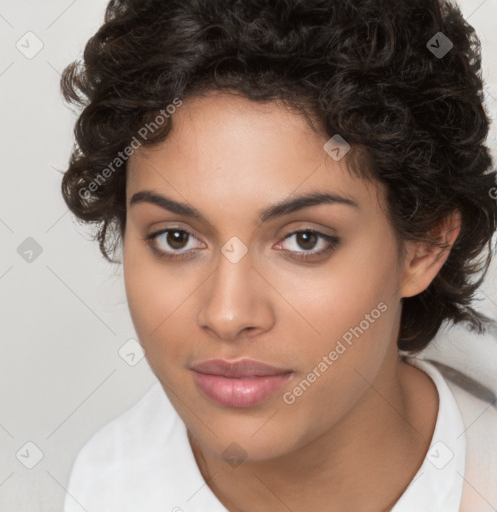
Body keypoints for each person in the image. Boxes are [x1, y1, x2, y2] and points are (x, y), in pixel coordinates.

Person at [60, 0, 497, 510]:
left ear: (423, 247)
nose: (227, 315)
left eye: (304, 240)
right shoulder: (106, 486)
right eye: (176, 238)